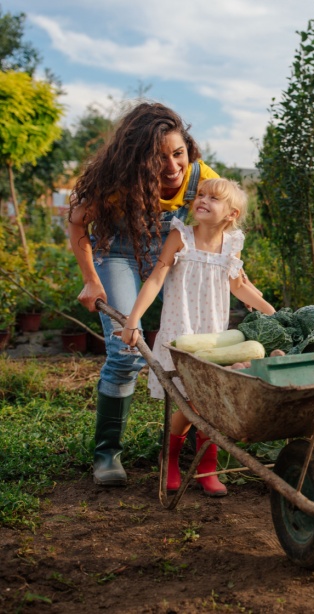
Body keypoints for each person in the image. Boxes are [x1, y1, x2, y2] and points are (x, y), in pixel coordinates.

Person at [69, 102, 220, 487]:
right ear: (136, 159)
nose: (172, 168)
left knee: (195, 345)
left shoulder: (201, 179)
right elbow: (77, 226)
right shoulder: (113, 183)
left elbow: (223, 222)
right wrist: (91, 279)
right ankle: (107, 454)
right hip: (117, 252)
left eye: (178, 154)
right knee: (125, 352)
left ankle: (176, 447)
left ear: (189, 148)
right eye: (158, 159)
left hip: (168, 253)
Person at [121, 178, 275, 496]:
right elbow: (156, 276)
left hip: (214, 336)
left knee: (210, 400)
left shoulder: (232, 244)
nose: (202, 200)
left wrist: (271, 312)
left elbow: (237, 285)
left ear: (231, 214)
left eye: (213, 198)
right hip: (183, 332)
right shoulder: (181, 237)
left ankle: (207, 468)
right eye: (200, 195)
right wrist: (132, 319)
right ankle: (172, 459)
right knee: (191, 401)